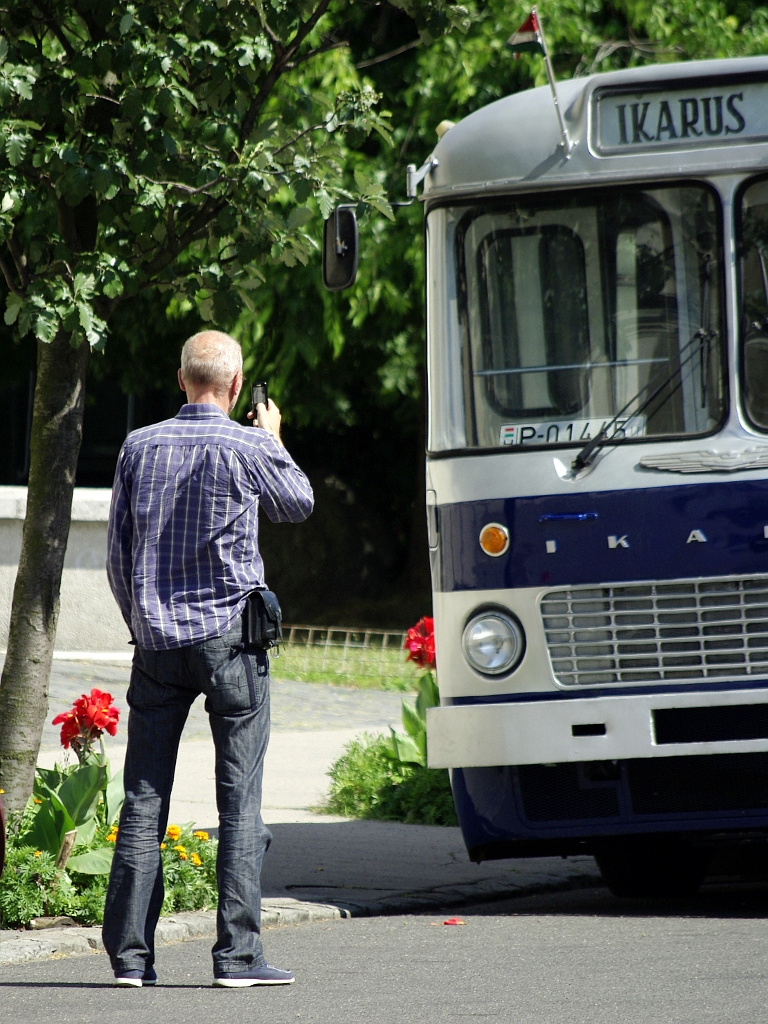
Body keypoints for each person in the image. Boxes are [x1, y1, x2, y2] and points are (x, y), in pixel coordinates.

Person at [102, 329, 313, 988]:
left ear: (180, 379)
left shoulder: (139, 445)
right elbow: (298, 503)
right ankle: (237, 958)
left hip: (157, 644)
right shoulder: (248, 445)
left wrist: (142, 620)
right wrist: (272, 436)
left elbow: (118, 553)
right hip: (233, 643)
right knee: (239, 802)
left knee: (143, 800)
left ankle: (132, 961)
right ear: (237, 384)